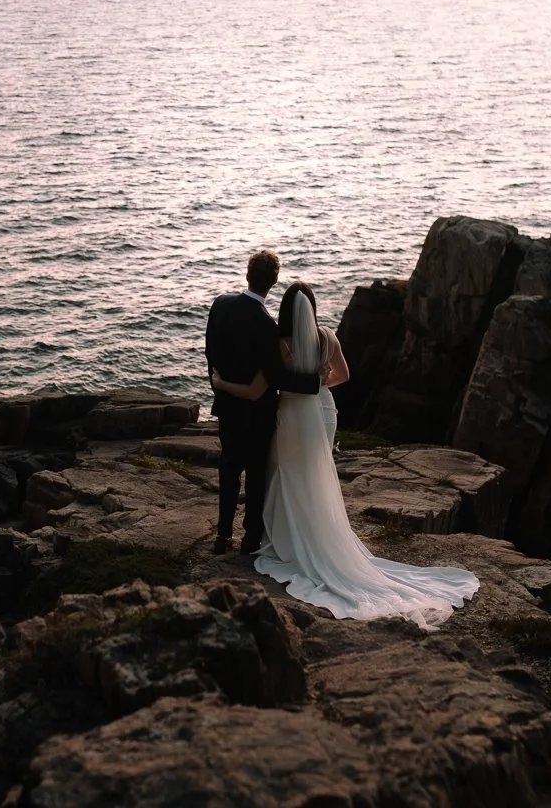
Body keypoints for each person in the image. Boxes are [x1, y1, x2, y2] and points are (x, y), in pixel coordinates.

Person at [211, 282, 479, 630]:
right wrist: (321, 385)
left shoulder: (282, 344)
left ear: (287, 312)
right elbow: (345, 375)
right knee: (318, 474)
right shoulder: (328, 336)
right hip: (324, 411)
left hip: (293, 415)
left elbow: (275, 384)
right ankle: (320, 531)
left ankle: (286, 537)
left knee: (288, 474)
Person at [203, 251, 322, 556]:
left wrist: (219, 388)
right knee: (256, 476)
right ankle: (250, 540)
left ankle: (222, 535)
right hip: (258, 414)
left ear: (247, 274)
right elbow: (277, 377)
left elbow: (210, 353)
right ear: (273, 282)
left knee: (228, 470)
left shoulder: (221, 304)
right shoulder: (267, 327)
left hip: (227, 408)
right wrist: (314, 381)